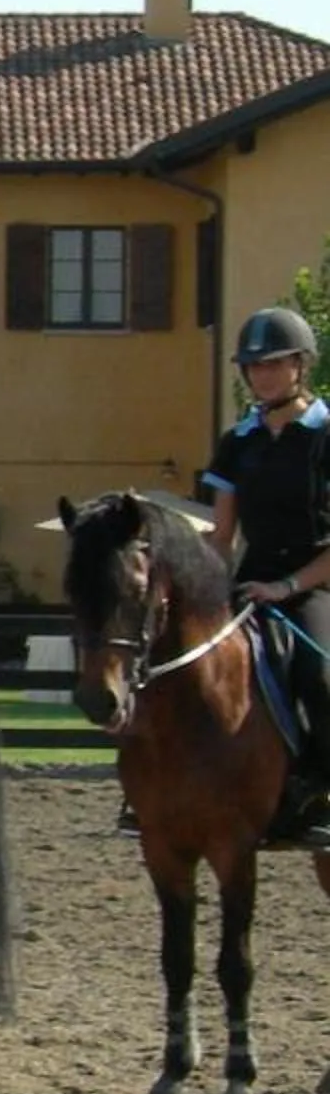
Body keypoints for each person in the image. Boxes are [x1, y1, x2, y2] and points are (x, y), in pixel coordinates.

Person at [200, 303, 330, 846]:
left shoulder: (325, 437)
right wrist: (202, 589)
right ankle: (155, 791)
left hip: (316, 582)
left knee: (320, 676)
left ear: (301, 366)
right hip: (249, 582)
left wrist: (288, 586)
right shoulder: (239, 442)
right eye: (253, 367)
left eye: (273, 364)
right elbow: (221, 536)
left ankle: (319, 792)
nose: (261, 376)